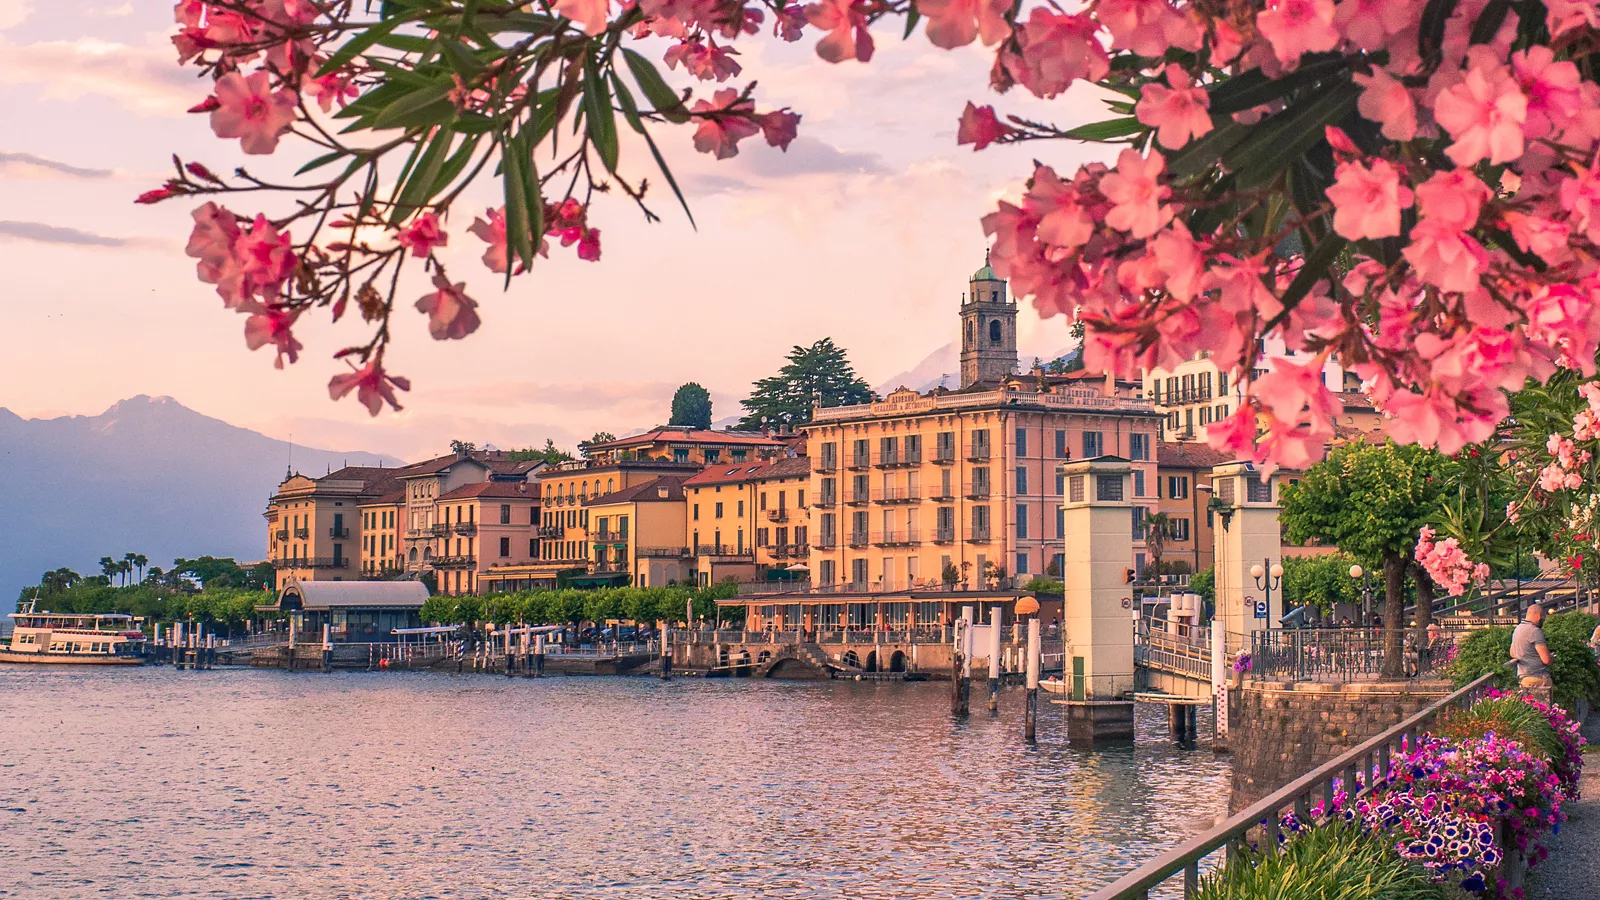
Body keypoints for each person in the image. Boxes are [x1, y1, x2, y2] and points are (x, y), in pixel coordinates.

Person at [1510, 603, 1554, 700]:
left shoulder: (1518, 629)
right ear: (1538, 615)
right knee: (1543, 712)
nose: (1543, 621)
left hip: (1523, 679)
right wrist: (1552, 657)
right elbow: (1546, 660)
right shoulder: (1535, 631)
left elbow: (1512, 653)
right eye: (1543, 618)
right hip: (1538, 680)